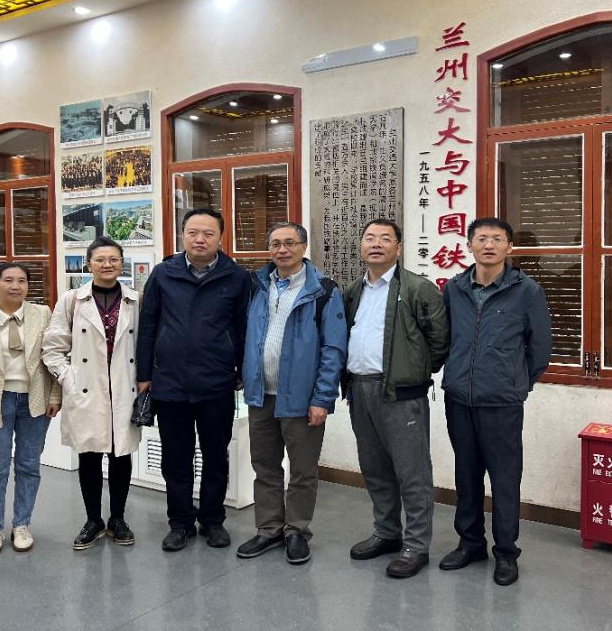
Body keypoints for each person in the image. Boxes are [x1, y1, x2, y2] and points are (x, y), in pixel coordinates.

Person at [440, 217, 552, 586]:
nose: (489, 245)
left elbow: (539, 348)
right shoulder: (455, 288)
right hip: (459, 398)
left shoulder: (527, 291)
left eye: (497, 239)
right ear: (469, 245)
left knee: (505, 479)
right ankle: (470, 543)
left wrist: (516, 383)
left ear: (509, 247)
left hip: (502, 402)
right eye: (482, 238)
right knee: (466, 474)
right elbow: (445, 337)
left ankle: (506, 552)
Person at [136, 208, 251, 552]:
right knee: (176, 458)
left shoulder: (236, 277)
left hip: (217, 383)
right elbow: (148, 323)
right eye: (193, 233)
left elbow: (244, 327)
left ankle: (213, 520)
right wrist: (144, 374)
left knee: (216, 455)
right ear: (183, 235)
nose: (200, 239)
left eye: (208, 233)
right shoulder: (163, 273)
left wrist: (243, 369)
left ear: (220, 237)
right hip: (169, 383)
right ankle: (181, 522)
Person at [342, 219, 449, 578]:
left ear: (398, 248)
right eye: (369, 238)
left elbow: (439, 342)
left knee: (411, 472)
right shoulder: (354, 290)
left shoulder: (418, 289)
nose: (376, 244)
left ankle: (416, 545)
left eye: (385, 238)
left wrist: (412, 373)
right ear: (361, 247)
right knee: (375, 469)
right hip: (360, 390)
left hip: (401, 394)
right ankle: (387, 532)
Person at [237, 222, 347, 565]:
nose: (282, 250)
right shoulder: (257, 285)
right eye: (275, 244)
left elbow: (333, 349)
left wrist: (322, 399)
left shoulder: (323, 290)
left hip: (302, 399)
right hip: (261, 395)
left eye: (289, 243)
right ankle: (269, 529)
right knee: (264, 466)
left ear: (303, 247)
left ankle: (297, 530)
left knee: (302, 470)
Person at [42, 235, 141, 551]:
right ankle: (93, 520)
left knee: (121, 455)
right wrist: (69, 379)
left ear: (122, 264)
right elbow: (52, 347)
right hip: (86, 388)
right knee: (89, 455)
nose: (107, 264)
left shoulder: (136, 300)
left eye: (113, 259)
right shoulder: (72, 300)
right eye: (100, 260)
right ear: (89, 264)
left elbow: (146, 344)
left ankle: (118, 519)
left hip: (123, 388)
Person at [0, 262, 61, 555]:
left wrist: (55, 395)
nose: (15, 286)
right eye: (8, 280)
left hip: (35, 400)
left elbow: (55, 355)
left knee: (29, 465)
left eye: (21, 281)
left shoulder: (42, 314)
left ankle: (22, 525)